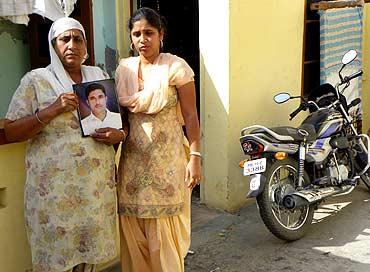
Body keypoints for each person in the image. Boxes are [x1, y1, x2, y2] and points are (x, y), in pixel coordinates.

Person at [4, 17, 125, 272]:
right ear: (54, 45)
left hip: (94, 190)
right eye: (64, 39)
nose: (72, 44)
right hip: (55, 194)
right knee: (56, 256)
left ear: (85, 45)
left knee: (89, 255)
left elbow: (116, 124)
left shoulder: (98, 75)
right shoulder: (36, 80)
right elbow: (12, 131)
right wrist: (51, 110)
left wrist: (118, 136)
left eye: (77, 39)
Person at [115, 7, 201, 272]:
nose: (143, 39)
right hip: (132, 163)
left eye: (149, 33)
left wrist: (195, 158)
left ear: (161, 34)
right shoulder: (124, 70)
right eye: (137, 34)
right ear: (131, 38)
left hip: (169, 161)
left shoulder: (176, 67)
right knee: (133, 228)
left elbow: (190, 115)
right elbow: (122, 122)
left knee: (165, 230)